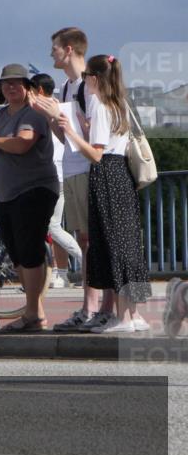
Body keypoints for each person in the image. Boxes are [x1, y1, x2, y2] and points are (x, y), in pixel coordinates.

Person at [57, 55, 151, 333]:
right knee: (128, 244)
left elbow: (97, 153)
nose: (84, 81)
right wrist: (85, 127)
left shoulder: (98, 104)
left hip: (106, 175)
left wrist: (72, 133)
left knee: (112, 244)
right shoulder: (119, 103)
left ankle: (122, 318)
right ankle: (133, 314)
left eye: (86, 76)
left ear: (94, 78)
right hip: (122, 174)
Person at [0, 64, 58, 332]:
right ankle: (36, 312)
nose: (10, 87)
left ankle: (33, 313)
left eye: (16, 82)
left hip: (33, 189)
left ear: (27, 86)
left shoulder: (32, 113)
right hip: (6, 193)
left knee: (30, 251)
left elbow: (22, 143)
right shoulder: (1, 115)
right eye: (5, 83)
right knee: (17, 253)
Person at [31, 27, 102, 331]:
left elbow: (95, 135)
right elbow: (64, 136)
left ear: (69, 49)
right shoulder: (65, 87)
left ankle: (94, 307)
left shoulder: (90, 84)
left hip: (89, 169)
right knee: (84, 239)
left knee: (92, 240)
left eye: (56, 48)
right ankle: (89, 306)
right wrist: (50, 115)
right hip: (72, 169)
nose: (52, 54)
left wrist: (59, 117)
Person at [30, 73, 83, 290]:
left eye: (31, 90)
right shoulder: (59, 108)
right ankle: (61, 274)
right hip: (64, 172)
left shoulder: (43, 111)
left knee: (52, 227)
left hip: (54, 174)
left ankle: (87, 260)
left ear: (40, 91)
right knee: (56, 227)